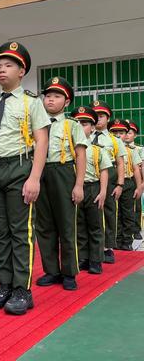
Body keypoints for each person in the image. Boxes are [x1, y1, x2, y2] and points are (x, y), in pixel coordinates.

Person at [0, 41, 49, 315]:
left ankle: (22, 289)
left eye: (8, 66)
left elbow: (42, 140)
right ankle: (4, 284)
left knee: (21, 231)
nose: (2, 70)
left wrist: (35, 178)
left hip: (19, 169)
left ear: (22, 71)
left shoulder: (32, 103)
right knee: (0, 231)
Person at [35, 77, 87, 291]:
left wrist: (79, 185)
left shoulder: (72, 125)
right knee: (44, 225)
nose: (50, 100)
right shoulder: (37, 124)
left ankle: (69, 272)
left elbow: (80, 155)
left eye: (56, 96)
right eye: (48, 96)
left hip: (64, 172)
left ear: (66, 102)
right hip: (40, 172)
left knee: (66, 224)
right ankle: (51, 271)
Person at [70, 106, 111, 275]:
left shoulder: (97, 149)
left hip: (93, 188)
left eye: (85, 123)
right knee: (78, 225)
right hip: (75, 189)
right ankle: (83, 257)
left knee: (95, 225)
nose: (80, 126)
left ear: (93, 128)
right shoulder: (68, 148)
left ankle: (96, 259)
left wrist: (102, 192)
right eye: (77, 123)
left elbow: (104, 171)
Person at [90, 100, 126, 264]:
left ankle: (107, 247)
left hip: (110, 175)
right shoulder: (84, 135)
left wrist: (120, 184)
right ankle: (90, 247)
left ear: (108, 117)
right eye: (95, 115)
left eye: (102, 115)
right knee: (90, 212)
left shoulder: (114, 139)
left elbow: (120, 163)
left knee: (109, 212)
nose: (98, 118)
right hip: (89, 175)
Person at [108, 119, 143, 251]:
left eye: (121, 132)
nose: (118, 135)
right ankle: (116, 240)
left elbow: (135, 169)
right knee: (115, 213)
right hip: (113, 183)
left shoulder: (131, 150)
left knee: (128, 213)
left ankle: (127, 240)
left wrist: (139, 186)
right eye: (114, 132)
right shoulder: (108, 148)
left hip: (128, 183)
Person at [125, 120, 143, 240]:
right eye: (125, 132)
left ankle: (136, 228)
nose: (127, 135)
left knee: (136, 205)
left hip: (135, 179)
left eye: (130, 132)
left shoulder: (139, 149)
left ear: (135, 135)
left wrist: (141, 184)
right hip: (124, 178)